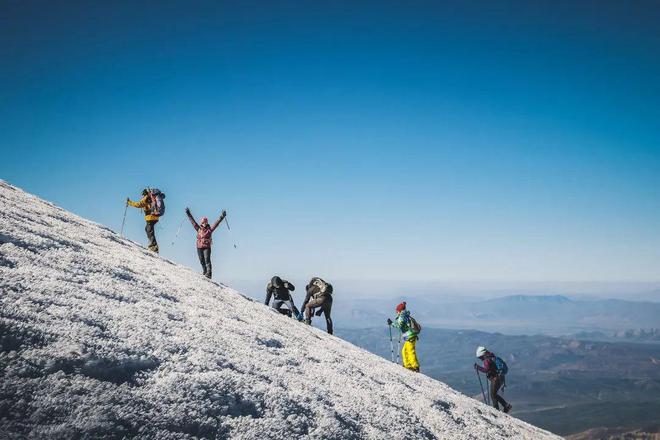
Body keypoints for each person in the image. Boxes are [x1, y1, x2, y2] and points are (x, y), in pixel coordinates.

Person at [185, 207, 226, 279]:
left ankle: (209, 274)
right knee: (201, 260)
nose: (204, 223)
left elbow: (216, 224)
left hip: (207, 246)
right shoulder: (198, 229)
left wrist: (222, 216)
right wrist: (188, 213)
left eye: (205, 222)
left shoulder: (209, 229)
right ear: (201, 223)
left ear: (207, 223)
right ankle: (204, 272)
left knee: (207, 259)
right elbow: (193, 222)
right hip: (199, 246)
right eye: (203, 222)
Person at [474, 346, 512, 413]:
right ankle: (498, 408)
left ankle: (504, 406)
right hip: (501, 377)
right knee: (493, 394)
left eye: (480, 357)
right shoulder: (491, 356)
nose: (480, 359)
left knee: (493, 394)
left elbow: (486, 370)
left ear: (481, 355)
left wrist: (478, 367)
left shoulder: (486, 360)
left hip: (495, 379)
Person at [127, 188, 165, 253]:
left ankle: (154, 246)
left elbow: (138, 205)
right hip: (155, 217)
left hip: (150, 217)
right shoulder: (152, 198)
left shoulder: (146, 198)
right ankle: (152, 244)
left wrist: (129, 202)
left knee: (149, 230)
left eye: (142, 195)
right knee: (147, 229)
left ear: (144, 194)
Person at [387, 301, 420, 372]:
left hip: (410, 336)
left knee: (410, 351)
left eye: (397, 311)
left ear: (399, 311)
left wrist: (391, 323)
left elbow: (399, 325)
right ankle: (408, 365)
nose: (396, 312)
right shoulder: (405, 315)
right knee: (404, 351)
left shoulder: (402, 316)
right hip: (411, 336)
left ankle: (414, 366)